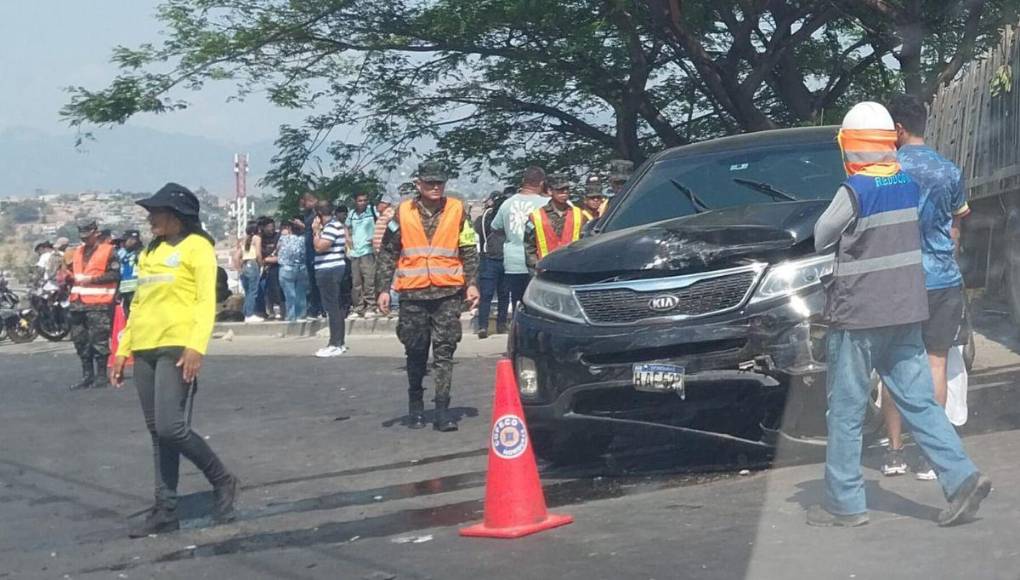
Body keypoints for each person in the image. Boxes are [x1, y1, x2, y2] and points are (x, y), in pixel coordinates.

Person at [809, 101, 989, 528]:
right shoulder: (907, 185)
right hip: (907, 311)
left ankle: (845, 504)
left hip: (858, 318)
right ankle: (961, 478)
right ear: (889, 141)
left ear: (849, 147)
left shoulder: (854, 191)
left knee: (847, 412)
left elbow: (820, 238)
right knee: (922, 402)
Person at [108, 183, 239, 538]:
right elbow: (139, 304)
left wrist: (196, 347)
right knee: (158, 434)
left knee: (171, 427)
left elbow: (203, 302)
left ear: (177, 216)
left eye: (156, 212)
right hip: (145, 348)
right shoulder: (150, 250)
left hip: (178, 348)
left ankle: (223, 480)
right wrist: (122, 350)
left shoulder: (198, 248)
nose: (150, 219)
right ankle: (165, 508)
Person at [878, 95, 974, 480]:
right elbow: (956, 226)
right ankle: (928, 455)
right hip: (942, 279)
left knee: (894, 365)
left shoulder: (885, 169)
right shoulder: (949, 170)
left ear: (898, 129)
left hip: (897, 280)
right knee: (936, 363)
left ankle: (895, 453)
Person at [376, 160, 480, 431]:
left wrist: (472, 283)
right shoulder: (403, 213)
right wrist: (383, 289)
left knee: (445, 350)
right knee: (415, 350)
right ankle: (416, 406)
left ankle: (443, 409)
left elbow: (468, 248)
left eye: (440, 183)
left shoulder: (457, 210)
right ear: (418, 184)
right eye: (430, 182)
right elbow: (389, 252)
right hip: (413, 294)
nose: (436, 187)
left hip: (448, 293)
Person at [68, 220, 120, 391]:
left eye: (88, 236)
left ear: (96, 233)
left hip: (98, 304)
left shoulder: (108, 251)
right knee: (80, 341)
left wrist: (92, 279)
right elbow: (74, 273)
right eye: (82, 237)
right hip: (77, 304)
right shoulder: (77, 252)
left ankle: (101, 376)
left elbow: (115, 274)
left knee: (99, 342)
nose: (85, 240)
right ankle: (87, 376)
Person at [490, 166, 548, 308]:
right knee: (539, 304)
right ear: (541, 183)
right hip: (538, 263)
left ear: (523, 181)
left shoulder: (507, 204)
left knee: (518, 303)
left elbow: (495, 227)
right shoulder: (546, 204)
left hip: (513, 263)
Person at [524, 172, 588, 272]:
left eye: (567, 189)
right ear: (550, 191)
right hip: (545, 270)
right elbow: (528, 246)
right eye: (560, 190)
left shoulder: (579, 214)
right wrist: (536, 264)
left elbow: (587, 241)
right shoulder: (535, 216)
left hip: (572, 269)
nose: (565, 192)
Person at [312, 200, 349, 357]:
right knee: (336, 307)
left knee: (332, 307)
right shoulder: (334, 226)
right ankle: (339, 342)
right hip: (332, 268)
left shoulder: (331, 227)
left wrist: (315, 232)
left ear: (319, 214)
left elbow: (320, 246)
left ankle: (335, 343)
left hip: (330, 269)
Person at [474, 190, 510, 338]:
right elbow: (481, 229)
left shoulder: (509, 218)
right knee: (487, 294)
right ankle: (483, 326)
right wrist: (490, 210)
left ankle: (501, 324)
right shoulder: (486, 218)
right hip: (489, 259)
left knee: (504, 294)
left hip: (505, 258)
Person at [347, 192, 378, 317]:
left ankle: (371, 306)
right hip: (355, 251)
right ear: (356, 201)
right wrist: (347, 238)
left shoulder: (372, 211)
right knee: (356, 282)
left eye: (365, 200)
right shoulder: (352, 214)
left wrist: (375, 238)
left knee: (369, 279)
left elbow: (383, 222)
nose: (362, 203)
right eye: (360, 200)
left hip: (368, 250)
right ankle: (358, 307)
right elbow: (346, 227)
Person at [297, 192, 323, 318]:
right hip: (309, 251)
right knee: (311, 282)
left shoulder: (316, 215)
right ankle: (314, 307)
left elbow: (314, 231)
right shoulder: (307, 214)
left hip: (314, 251)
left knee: (317, 282)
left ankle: (320, 308)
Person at [277, 221, 309, 322]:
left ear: (290, 229)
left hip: (285, 267)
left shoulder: (283, 238)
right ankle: (301, 315)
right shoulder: (303, 239)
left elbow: (278, 248)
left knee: (289, 294)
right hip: (301, 267)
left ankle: (291, 315)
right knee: (301, 293)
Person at [256, 217, 283, 320]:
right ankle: (267, 311)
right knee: (264, 291)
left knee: (277, 290)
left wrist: (269, 259)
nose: (271, 229)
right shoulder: (259, 239)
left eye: (273, 226)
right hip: (263, 269)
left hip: (276, 268)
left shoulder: (278, 237)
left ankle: (279, 310)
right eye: (269, 227)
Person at [235, 223, 262, 322]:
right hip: (252, 263)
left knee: (247, 292)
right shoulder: (257, 238)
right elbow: (258, 254)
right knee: (253, 291)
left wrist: (239, 269)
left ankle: (245, 314)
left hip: (245, 265)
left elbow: (236, 257)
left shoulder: (242, 240)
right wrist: (260, 264)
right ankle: (249, 314)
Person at [117, 230, 142, 316]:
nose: (123, 243)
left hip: (136, 291)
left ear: (133, 240)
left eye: (125, 241)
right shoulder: (123, 254)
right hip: (125, 291)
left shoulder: (141, 253)